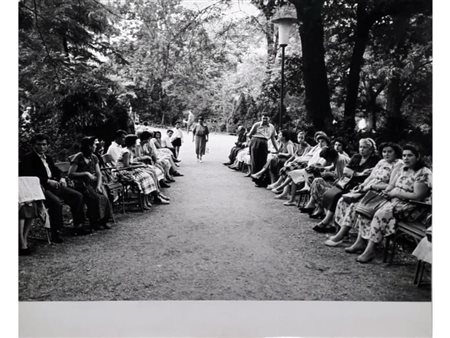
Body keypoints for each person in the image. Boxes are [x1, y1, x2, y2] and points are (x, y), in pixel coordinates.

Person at [345, 144, 432, 263]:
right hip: (396, 201)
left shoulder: (423, 173)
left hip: (413, 207)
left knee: (380, 213)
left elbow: (417, 196)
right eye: (404, 155)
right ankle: (360, 241)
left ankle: (370, 250)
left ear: (417, 157)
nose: (406, 158)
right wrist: (387, 192)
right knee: (366, 208)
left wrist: (396, 193)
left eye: (410, 155)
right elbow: (392, 186)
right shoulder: (403, 169)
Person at [323, 142, 403, 246]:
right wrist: (363, 185)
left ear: (396, 153)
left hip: (380, 193)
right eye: (384, 151)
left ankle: (343, 236)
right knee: (342, 201)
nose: (386, 154)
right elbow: (370, 177)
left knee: (354, 206)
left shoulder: (398, 164)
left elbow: (392, 185)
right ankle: (343, 233)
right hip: (368, 189)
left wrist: (371, 186)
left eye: (389, 152)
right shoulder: (381, 162)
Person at [19, 134, 86, 240]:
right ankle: (56, 231)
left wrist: (62, 178)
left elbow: (56, 170)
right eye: (39, 145)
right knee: (56, 202)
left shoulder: (48, 158)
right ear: (33, 145)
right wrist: (47, 181)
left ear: (47, 146)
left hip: (55, 185)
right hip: (40, 188)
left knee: (77, 196)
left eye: (44, 144)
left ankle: (79, 225)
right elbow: (28, 175)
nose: (42, 147)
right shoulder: (28, 158)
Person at [311, 138, 380, 233]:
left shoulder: (375, 160)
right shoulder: (356, 157)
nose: (361, 149)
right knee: (328, 194)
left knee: (337, 196)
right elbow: (346, 171)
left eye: (365, 147)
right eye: (360, 147)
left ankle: (327, 221)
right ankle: (331, 222)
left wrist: (356, 173)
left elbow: (371, 174)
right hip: (347, 182)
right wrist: (358, 173)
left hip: (359, 185)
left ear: (371, 149)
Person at [68, 137, 113, 230]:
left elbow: (99, 173)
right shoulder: (78, 157)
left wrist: (99, 185)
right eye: (94, 144)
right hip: (81, 183)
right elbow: (70, 174)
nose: (96, 146)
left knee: (104, 195)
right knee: (94, 198)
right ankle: (95, 221)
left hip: (94, 183)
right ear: (89, 146)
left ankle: (104, 220)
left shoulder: (94, 157)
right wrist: (86, 173)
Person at [283, 147, 350, 206]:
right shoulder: (337, 158)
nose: (326, 160)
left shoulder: (340, 160)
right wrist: (322, 168)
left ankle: (316, 204)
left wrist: (328, 174)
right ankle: (313, 204)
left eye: (326, 158)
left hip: (343, 185)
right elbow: (332, 167)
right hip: (338, 182)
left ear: (330, 156)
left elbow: (340, 177)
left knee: (316, 181)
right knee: (312, 178)